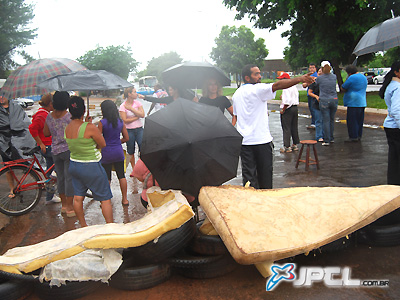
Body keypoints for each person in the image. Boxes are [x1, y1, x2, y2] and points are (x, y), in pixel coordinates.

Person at [232, 64, 314, 189]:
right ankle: (265, 204)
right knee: (265, 178)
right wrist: (299, 79)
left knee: (249, 179)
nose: (260, 76)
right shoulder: (257, 89)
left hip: (245, 142)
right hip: (261, 141)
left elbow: (237, 115)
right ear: (247, 78)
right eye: (256, 74)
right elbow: (277, 85)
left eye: (260, 73)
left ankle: (251, 204)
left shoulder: (236, 94)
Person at [65, 96, 113, 227]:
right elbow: (102, 144)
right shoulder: (90, 127)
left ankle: (83, 226)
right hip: (91, 166)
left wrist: (86, 123)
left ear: (70, 111)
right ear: (84, 110)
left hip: (74, 165)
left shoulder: (67, 128)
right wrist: (89, 124)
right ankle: (110, 227)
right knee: (105, 199)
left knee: (78, 197)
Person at [44, 91, 75, 216]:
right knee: (69, 178)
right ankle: (70, 208)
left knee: (60, 178)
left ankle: (63, 205)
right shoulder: (69, 116)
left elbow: (46, 133)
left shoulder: (49, 116)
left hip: (55, 151)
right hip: (68, 150)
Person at [0, 95, 35, 197]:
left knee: (26, 163)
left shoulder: (16, 107)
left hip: (20, 140)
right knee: (8, 166)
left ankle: (33, 182)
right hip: (4, 143)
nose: (1, 97)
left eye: (3, 95)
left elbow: (24, 122)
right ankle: (12, 189)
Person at [29, 93, 60, 204]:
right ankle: (52, 191)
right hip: (47, 146)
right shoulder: (42, 115)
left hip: (48, 145)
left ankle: (50, 196)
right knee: (58, 167)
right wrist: (40, 143)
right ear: (50, 104)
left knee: (50, 169)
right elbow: (32, 128)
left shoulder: (45, 113)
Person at [98, 100, 129, 206]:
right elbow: (126, 138)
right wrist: (117, 142)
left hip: (106, 152)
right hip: (118, 151)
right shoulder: (120, 122)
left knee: (107, 177)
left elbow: (98, 138)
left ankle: (106, 201)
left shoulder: (102, 123)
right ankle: (125, 199)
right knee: (121, 176)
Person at [379, 61, 400, 185]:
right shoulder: (397, 87)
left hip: (391, 127)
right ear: (396, 72)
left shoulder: (392, 85)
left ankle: (393, 186)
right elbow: (397, 110)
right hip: (396, 128)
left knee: (394, 159)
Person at [119, 86, 145, 175]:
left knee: (143, 147)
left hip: (139, 129)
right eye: (134, 92)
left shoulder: (137, 103)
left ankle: (142, 167)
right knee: (131, 150)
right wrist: (136, 117)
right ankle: (134, 169)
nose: (136, 93)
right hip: (129, 130)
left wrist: (131, 109)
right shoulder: (122, 106)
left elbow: (142, 115)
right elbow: (125, 120)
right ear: (129, 94)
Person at [340, 65, 368, 142]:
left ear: (349, 73)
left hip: (353, 102)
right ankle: (359, 135)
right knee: (359, 120)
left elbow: (343, 87)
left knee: (352, 121)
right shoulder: (363, 77)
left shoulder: (351, 78)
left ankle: (353, 136)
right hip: (362, 101)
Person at [316, 61, 338, 146]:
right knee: (332, 120)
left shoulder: (320, 78)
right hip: (334, 99)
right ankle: (331, 138)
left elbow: (316, 84)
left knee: (325, 120)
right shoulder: (334, 77)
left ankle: (327, 139)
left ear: (321, 68)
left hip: (324, 100)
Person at [277, 73, 300, 153]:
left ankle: (287, 146)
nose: (280, 81)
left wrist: (283, 109)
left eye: (281, 79)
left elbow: (287, 102)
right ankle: (295, 144)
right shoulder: (294, 87)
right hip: (295, 107)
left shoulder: (286, 87)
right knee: (294, 126)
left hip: (288, 109)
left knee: (286, 127)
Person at [308, 68, 324, 142]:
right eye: (319, 72)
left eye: (321, 72)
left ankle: (325, 135)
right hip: (317, 104)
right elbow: (309, 92)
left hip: (325, 103)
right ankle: (319, 136)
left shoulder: (325, 82)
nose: (320, 73)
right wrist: (316, 96)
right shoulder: (314, 82)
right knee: (318, 120)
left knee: (325, 120)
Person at [302, 63, 318, 129]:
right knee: (311, 109)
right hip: (309, 94)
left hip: (315, 94)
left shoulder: (317, 75)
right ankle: (313, 122)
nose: (311, 69)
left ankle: (315, 123)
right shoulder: (308, 75)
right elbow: (304, 85)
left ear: (315, 68)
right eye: (310, 68)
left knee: (314, 109)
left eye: (313, 67)